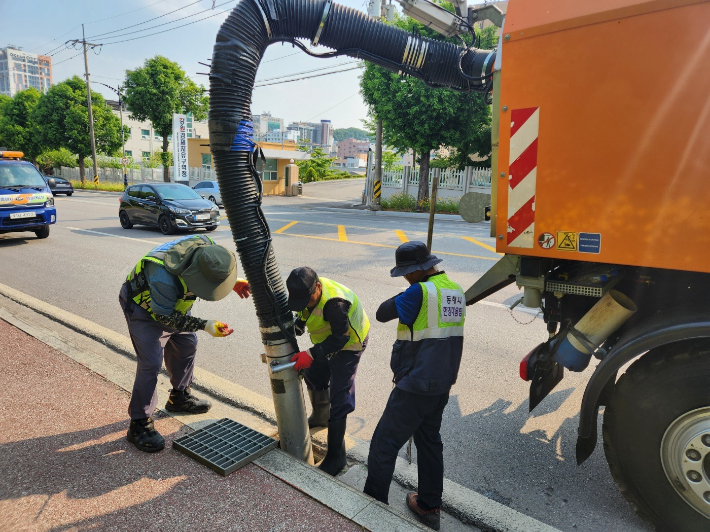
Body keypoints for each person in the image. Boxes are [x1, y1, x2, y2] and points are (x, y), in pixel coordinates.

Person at [363, 241, 465, 531]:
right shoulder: (454, 290)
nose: (405, 278)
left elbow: (382, 312)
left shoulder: (418, 292)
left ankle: (372, 510)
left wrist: (410, 290)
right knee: (429, 441)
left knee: (384, 444)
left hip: (415, 385)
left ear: (415, 271)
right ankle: (429, 503)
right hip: (443, 383)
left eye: (406, 273)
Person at [119, 234, 251, 453]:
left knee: (187, 345)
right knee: (151, 362)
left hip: (174, 305)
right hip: (143, 308)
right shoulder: (162, 277)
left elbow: (206, 274)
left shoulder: (207, 249)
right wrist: (205, 324)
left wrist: (227, 282)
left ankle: (179, 397)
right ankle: (139, 423)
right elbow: (165, 318)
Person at [286, 266, 370, 476]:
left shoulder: (335, 304)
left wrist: (312, 354)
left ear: (318, 287)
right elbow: (307, 310)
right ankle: (321, 416)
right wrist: (299, 323)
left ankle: (336, 457)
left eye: (308, 299)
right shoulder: (308, 290)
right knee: (313, 374)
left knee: (340, 396)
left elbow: (340, 338)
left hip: (349, 344)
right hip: (326, 342)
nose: (306, 303)